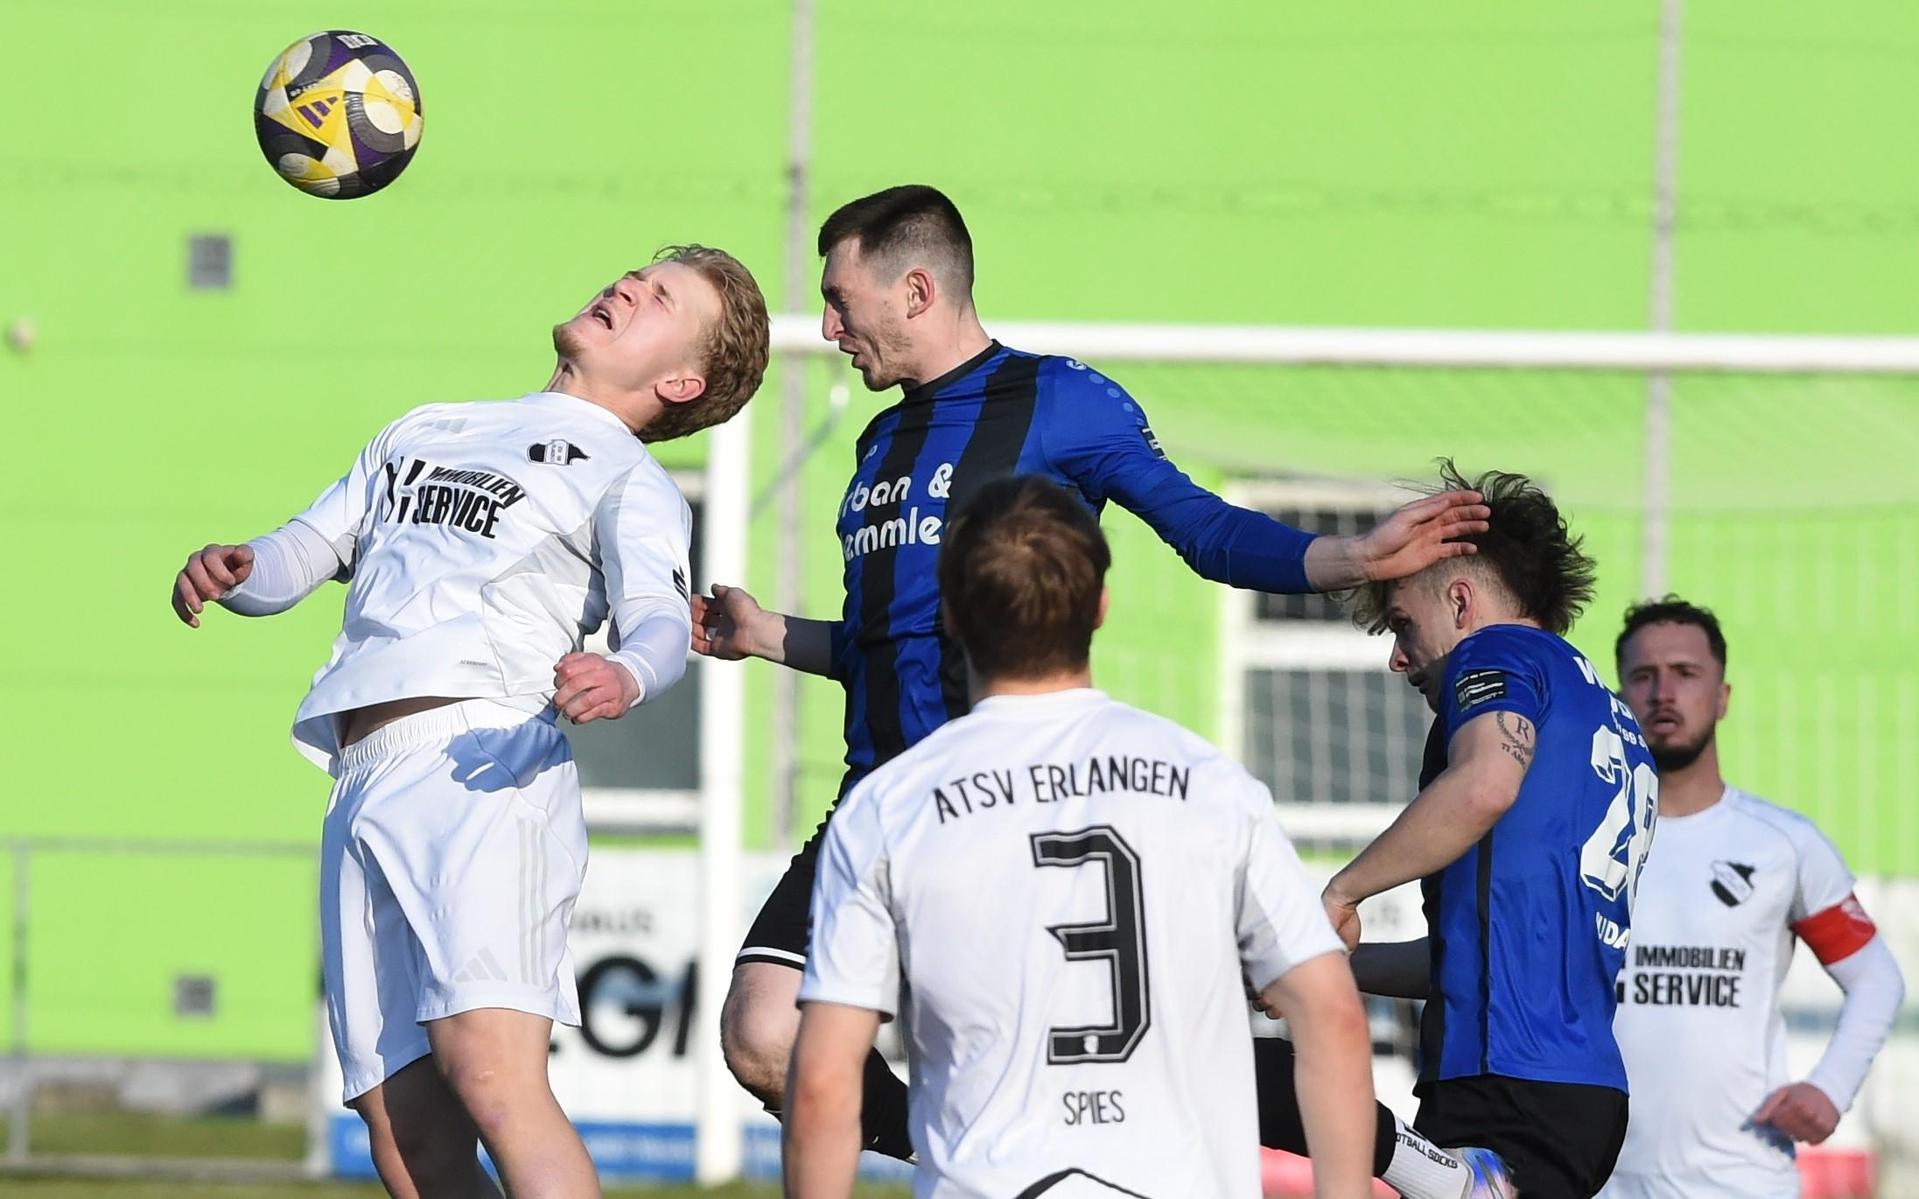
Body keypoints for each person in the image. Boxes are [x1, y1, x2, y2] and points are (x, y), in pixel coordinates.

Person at [695, 183, 1496, 1197]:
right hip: (881, 794)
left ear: (913, 288)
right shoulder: (876, 443)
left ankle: (1416, 1169)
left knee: (1115, 1054)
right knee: (762, 1034)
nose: (829, 325)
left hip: (1016, 794)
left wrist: (1350, 556)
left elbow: (1203, 528)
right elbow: (885, 642)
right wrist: (771, 635)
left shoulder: (1057, 399)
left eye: (840, 299)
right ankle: (981, 1158)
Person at [169, 247, 770, 1199]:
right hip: (362, 775)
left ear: (680, 381)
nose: (626, 286)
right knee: (402, 1133)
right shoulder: (429, 425)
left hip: (484, 767)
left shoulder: (627, 475)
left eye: (660, 299)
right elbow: (308, 546)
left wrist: (626, 671)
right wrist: (242, 567)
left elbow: (661, 620)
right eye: (634, 275)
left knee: (492, 1074)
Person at [782, 474, 1377, 1198]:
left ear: (949, 614)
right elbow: (1332, 1014)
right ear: (1099, 605)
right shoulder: (1207, 784)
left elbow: (821, 1080)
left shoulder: (890, 805)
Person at [1322, 462, 1656, 1199]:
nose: (1397, 657)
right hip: (1575, 1086)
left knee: (1281, 1094)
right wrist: (1327, 966)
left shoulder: (1496, 654)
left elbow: (1482, 784)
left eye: (1403, 622)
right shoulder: (1601, 711)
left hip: (1505, 1083)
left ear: (1461, 600)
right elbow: (1483, 949)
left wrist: (1341, 891)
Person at [1598, 597, 1906, 1198]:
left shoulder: (1781, 845)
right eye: (1643, 675)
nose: (1664, 692)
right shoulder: (1584, 843)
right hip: (1599, 1180)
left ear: (1722, 697)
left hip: (1741, 1180)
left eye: (1686, 674)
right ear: (1620, 699)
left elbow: (1877, 978)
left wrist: (1831, 1088)